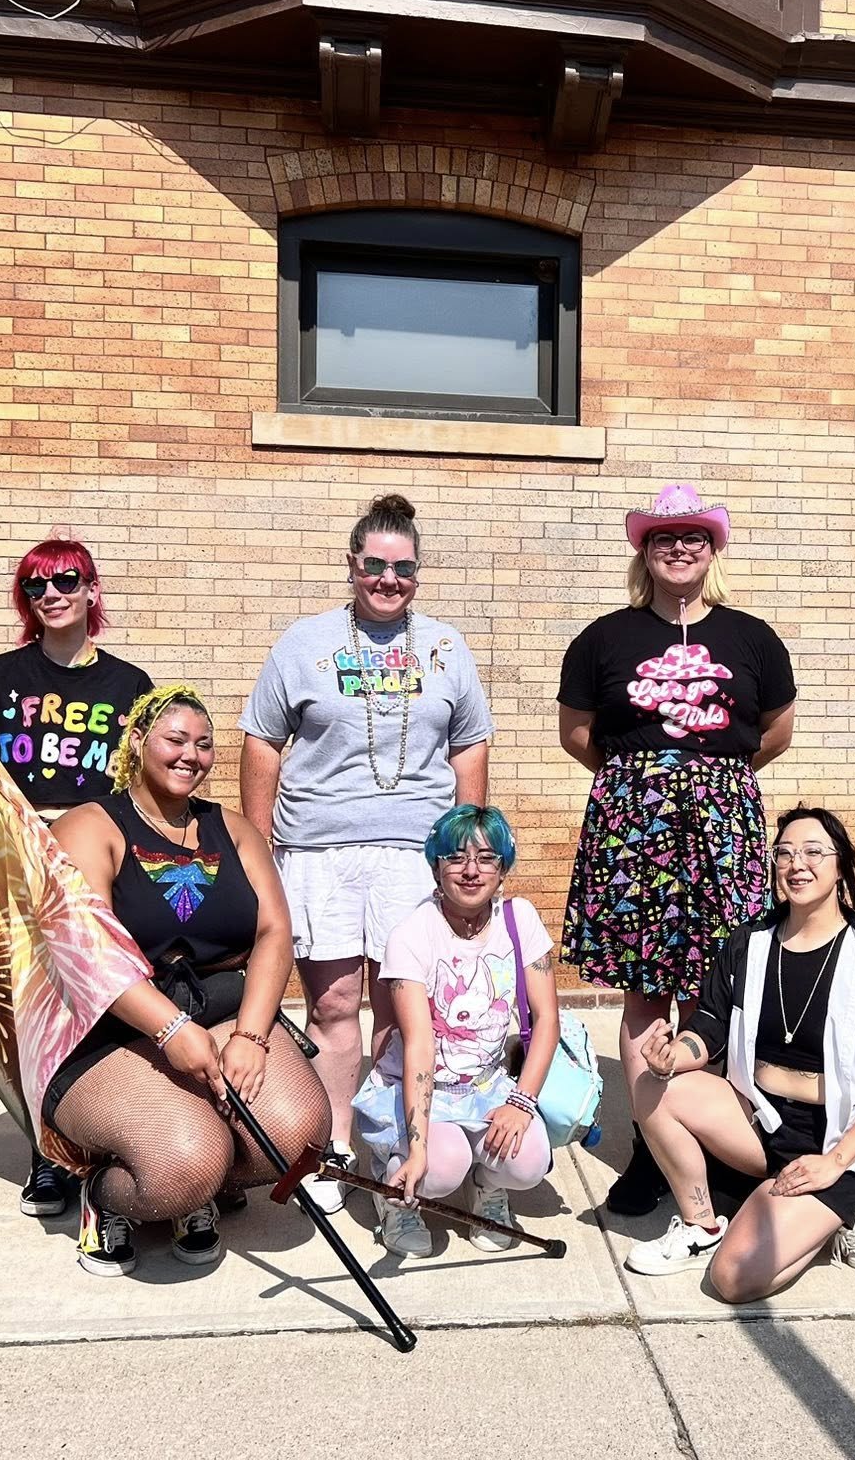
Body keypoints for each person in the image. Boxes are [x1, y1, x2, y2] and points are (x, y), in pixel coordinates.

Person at [239, 495, 493, 1211]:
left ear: (418, 572)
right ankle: (333, 1146)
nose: (388, 578)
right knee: (333, 1003)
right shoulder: (305, 641)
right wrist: (257, 848)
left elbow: (470, 743)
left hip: (413, 856)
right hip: (318, 850)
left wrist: (465, 842)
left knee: (401, 1006)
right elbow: (262, 738)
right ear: (352, 565)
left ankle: (393, 1146)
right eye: (375, 564)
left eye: (402, 567)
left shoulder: (444, 647)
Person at [558, 482, 796, 1217]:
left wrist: (710, 784)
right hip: (634, 829)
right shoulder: (605, 637)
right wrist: (647, 785)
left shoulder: (752, 636)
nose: (679, 546)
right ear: (645, 550)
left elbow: (775, 730)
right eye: (664, 536)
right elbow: (577, 734)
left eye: (693, 535)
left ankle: (706, 1135)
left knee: (710, 992)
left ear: (712, 548)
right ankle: (651, 1151)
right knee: (643, 993)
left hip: (723, 825)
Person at [44, 685, 332, 1276]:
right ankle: (106, 1192)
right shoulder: (89, 825)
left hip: (222, 1010)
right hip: (110, 1029)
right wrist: (170, 1026)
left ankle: (204, 1178)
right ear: (139, 743)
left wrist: (251, 1038)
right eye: (175, 739)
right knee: (185, 1161)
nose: (190, 755)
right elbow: (86, 947)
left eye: (204, 745)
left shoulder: (234, 829)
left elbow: (275, 932)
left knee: (297, 1131)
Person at [624, 808, 855, 1300]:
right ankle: (701, 1225)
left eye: (812, 852)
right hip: (760, 1122)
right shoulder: (749, 944)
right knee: (655, 1087)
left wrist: (837, 1162)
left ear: (842, 865)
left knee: (732, 1279)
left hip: (833, 1140)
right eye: (783, 853)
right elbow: (709, 1028)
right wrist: (672, 1057)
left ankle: (844, 1206)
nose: (795, 864)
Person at [0, 535, 153, 1219]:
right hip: (19, 859)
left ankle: (105, 1135)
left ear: (92, 591)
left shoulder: (129, 685)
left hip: (96, 859)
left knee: (99, 1002)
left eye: (67, 581)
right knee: (32, 1009)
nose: (52, 595)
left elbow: (146, 781)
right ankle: (49, 1156)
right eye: (36, 586)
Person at [352, 805, 560, 1258]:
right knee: (439, 1170)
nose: (471, 870)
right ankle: (392, 1185)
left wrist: (521, 1104)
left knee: (528, 1163)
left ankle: (487, 1188)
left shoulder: (519, 919)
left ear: (503, 867)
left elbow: (546, 1019)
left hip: (487, 1085)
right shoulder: (411, 934)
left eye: (486, 858)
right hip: (426, 1086)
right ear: (436, 866)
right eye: (455, 857)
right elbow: (420, 1046)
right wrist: (418, 1148)